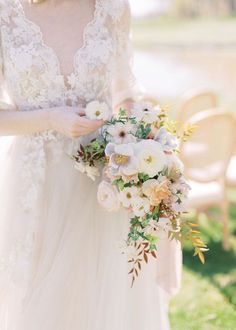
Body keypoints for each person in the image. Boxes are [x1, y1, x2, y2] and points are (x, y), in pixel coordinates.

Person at [0, 1, 182, 329]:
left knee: (104, 297)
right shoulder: (5, 12)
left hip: (106, 180)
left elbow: (125, 93)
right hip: (36, 185)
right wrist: (50, 119)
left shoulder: (112, 7)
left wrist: (142, 141)